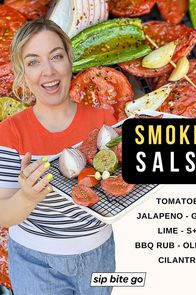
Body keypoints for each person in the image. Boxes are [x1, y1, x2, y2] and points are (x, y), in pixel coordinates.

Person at [0, 18, 116, 295]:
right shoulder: (9, 132)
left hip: (99, 256)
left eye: (56, 56)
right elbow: (3, 215)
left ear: (69, 60)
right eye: (33, 62)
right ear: (21, 72)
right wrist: (26, 196)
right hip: (35, 261)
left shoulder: (104, 120)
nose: (48, 71)